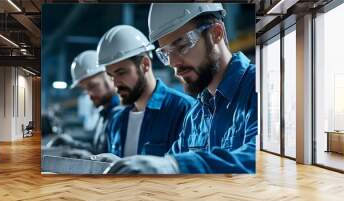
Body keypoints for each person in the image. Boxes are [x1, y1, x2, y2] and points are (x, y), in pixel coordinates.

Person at [106, 3, 257, 174]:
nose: (173, 63)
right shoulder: (196, 115)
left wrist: (176, 166)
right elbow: (167, 163)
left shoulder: (260, 88)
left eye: (182, 45)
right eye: (166, 53)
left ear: (216, 33)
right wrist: (126, 165)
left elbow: (258, 159)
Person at [95, 25, 194, 162]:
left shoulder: (184, 110)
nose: (115, 83)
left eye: (121, 72)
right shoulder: (116, 120)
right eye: (111, 76)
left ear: (145, 65)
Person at [48, 50, 122, 156]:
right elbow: (102, 151)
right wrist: (73, 144)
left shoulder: (122, 113)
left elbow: (119, 160)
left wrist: (89, 157)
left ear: (110, 76)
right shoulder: (105, 112)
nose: (89, 94)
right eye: (85, 89)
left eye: (92, 86)